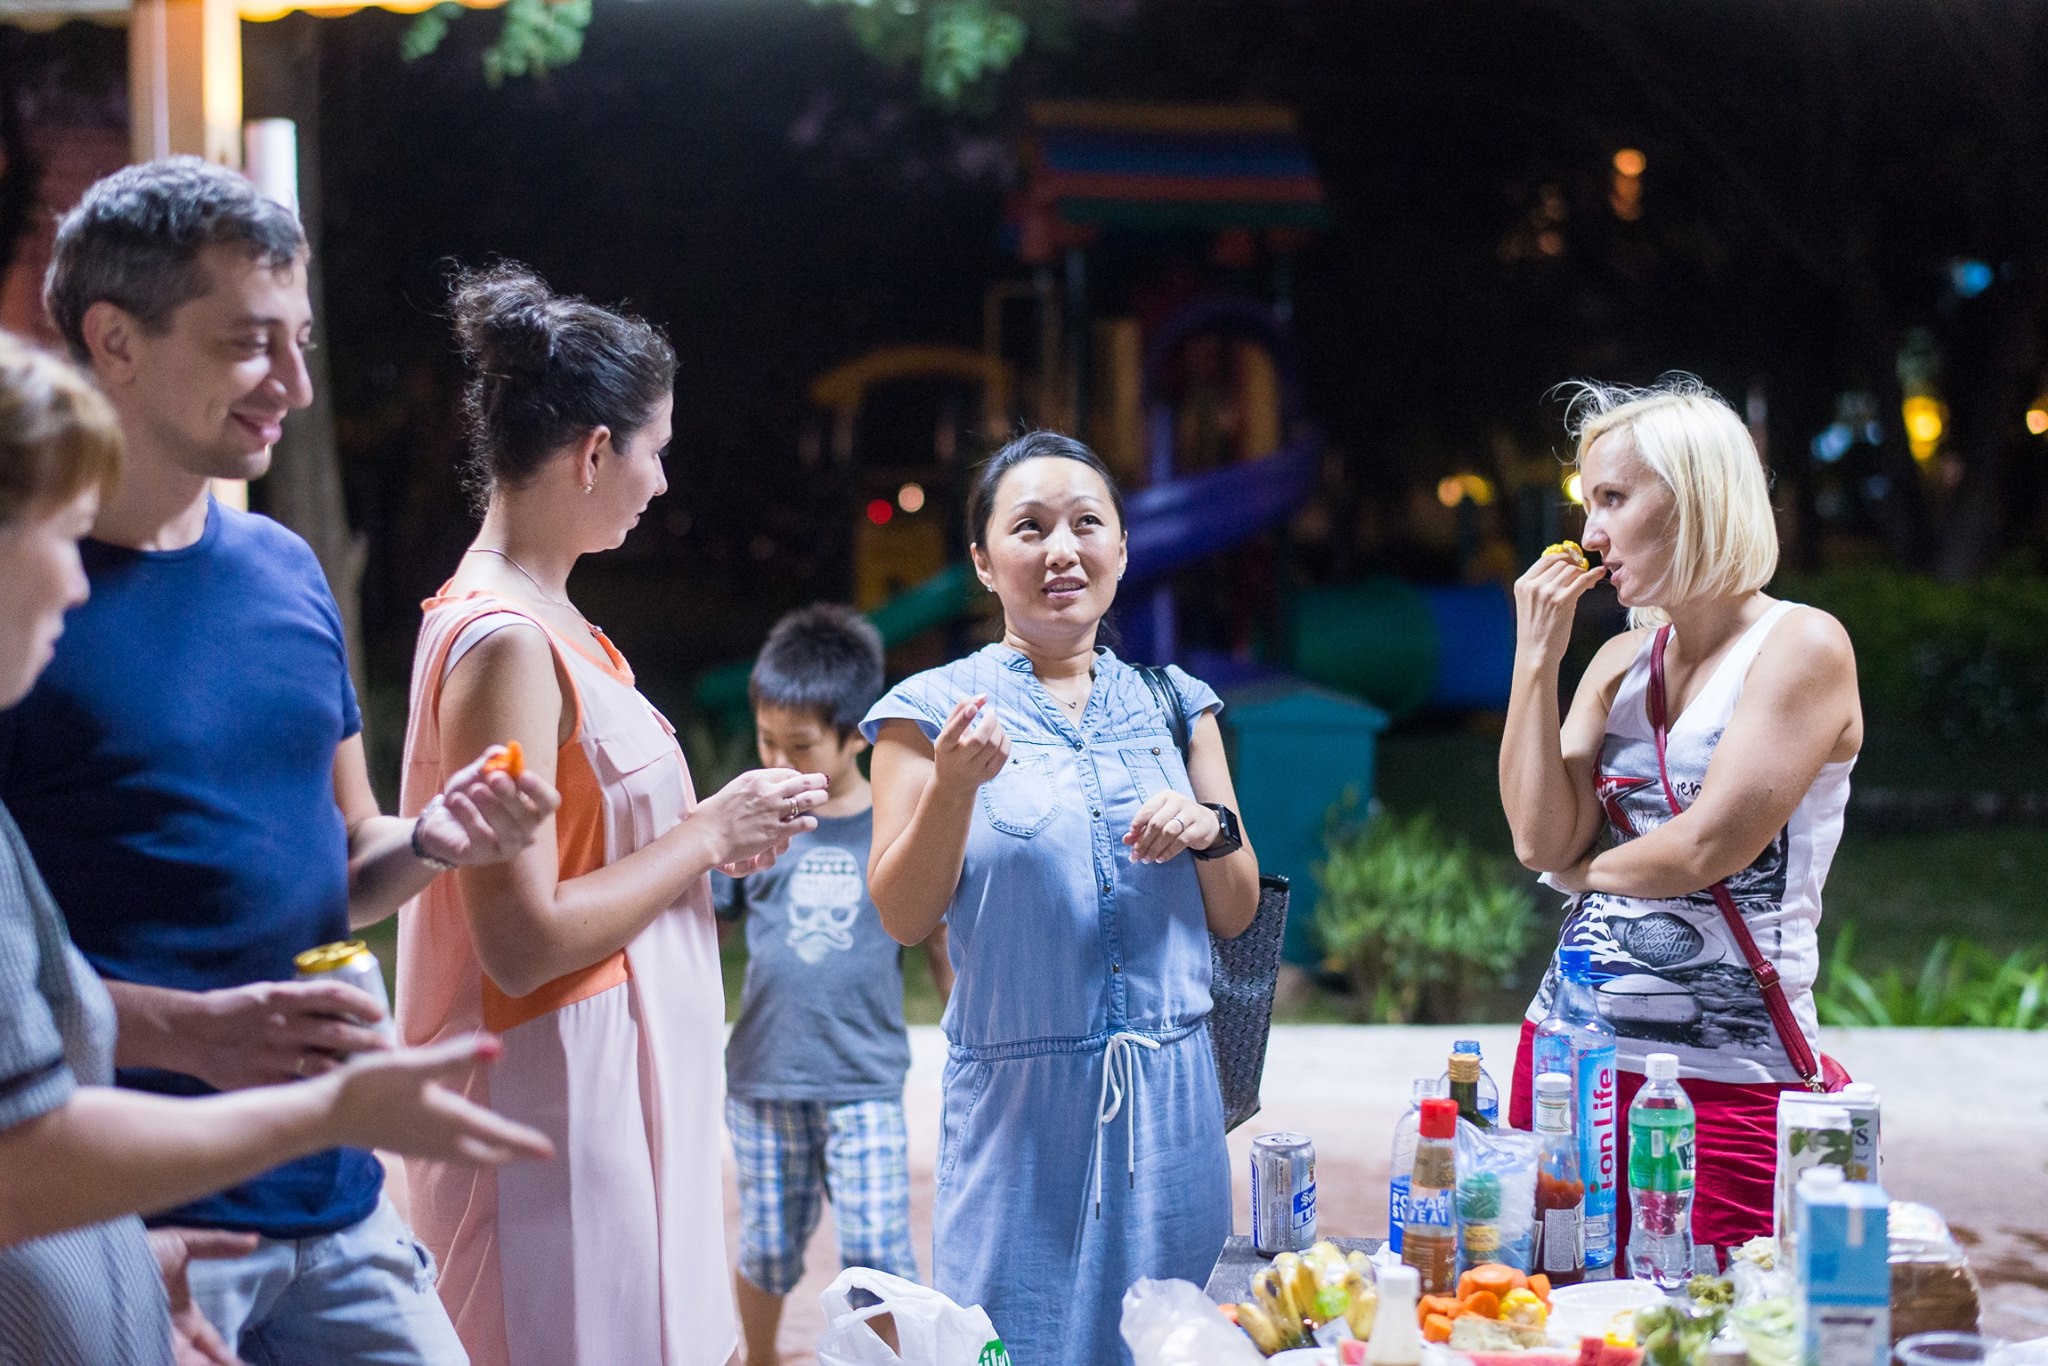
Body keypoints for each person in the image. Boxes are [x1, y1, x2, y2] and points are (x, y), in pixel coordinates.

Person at [0, 157, 559, 1363]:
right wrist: (196, 1031)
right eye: (252, 343)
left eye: (301, 340)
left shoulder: (284, 570)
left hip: (336, 1196)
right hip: (124, 1219)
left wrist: (431, 842)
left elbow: (345, 859)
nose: (296, 386)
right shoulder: (20, 599)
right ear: (116, 340)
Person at [397, 263, 828, 1366]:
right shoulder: (504, 641)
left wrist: (707, 847)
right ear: (595, 451)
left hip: (612, 1103)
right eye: (656, 449)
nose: (662, 480)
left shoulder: (555, 620)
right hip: (557, 1110)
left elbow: (596, 848)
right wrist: (704, 835)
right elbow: (518, 935)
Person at [863, 430, 1261, 1366]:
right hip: (1019, 1121)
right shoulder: (929, 712)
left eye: (1087, 524)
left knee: (1183, 1346)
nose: (1060, 551)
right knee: (1014, 1342)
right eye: (1029, 528)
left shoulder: (1178, 705)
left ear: (1122, 548)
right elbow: (903, 914)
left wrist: (1210, 831)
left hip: (1174, 1110)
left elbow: (1235, 911)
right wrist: (956, 788)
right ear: (983, 561)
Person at [1499, 377, 1861, 1249]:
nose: (1590, 535)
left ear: (1694, 496)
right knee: (1550, 1311)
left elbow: (1703, 849)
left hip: (1723, 1078)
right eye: (1590, 506)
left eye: (1614, 499)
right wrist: (1536, 659)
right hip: (1563, 1055)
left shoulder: (1801, 645)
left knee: (1706, 1323)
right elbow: (1534, 835)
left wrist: (1576, 875)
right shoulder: (1619, 661)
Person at [714, 604, 954, 1366]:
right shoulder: (754, 820)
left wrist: (968, 1040)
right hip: (763, 1081)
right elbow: (701, 929)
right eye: (766, 742)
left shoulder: (894, 822)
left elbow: (939, 941)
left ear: (856, 735)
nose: (779, 760)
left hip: (864, 1081)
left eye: (801, 745)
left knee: (880, 1249)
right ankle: (758, 1357)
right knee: (767, 1247)